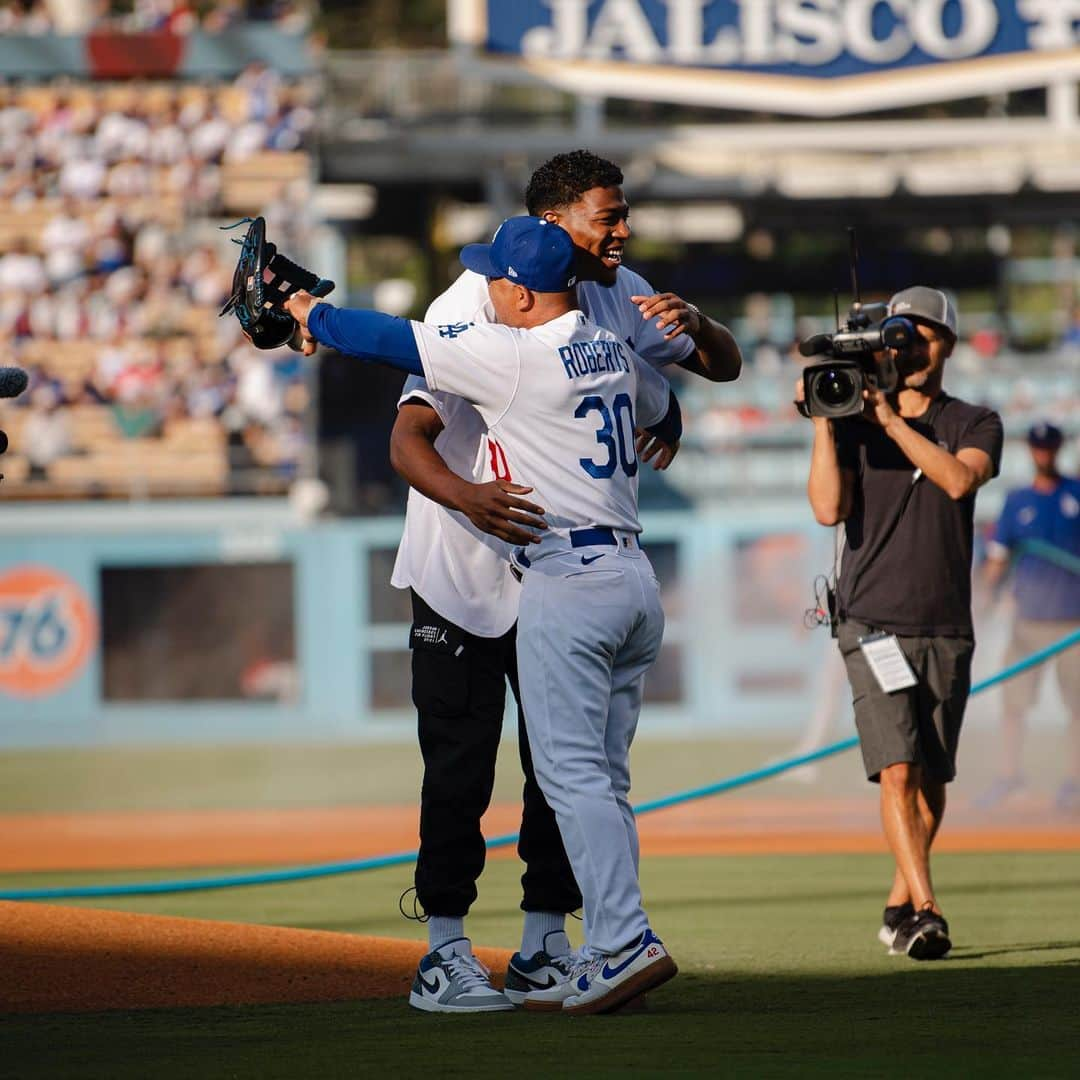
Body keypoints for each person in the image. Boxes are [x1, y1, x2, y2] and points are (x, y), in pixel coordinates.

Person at [285, 216, 683, 1015]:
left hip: (567, 578)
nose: (490, 285)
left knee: (568, 779)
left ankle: (621, 939)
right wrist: (662, 424)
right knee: (602, 779)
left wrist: (305, 312)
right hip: (633, 576)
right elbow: (663, 406)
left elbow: (387, 338)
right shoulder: (609, 344)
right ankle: (594, 945)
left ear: (521, 291)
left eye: (498, 276)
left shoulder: (510, 355)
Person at [385, 150, 742, 1013]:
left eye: (622, 215)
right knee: (463, 763)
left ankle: (547, 941)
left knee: (558, 770)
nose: (622, 231)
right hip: (466, 562)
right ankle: (446, 946)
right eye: (605, 217)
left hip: (557, 569)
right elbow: (408, 438)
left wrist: (682, 368)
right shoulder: (475, 297)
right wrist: (470, 498)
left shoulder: (616, 290)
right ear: (551, 227)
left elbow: (713, 366)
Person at [801, 286, 1003, 960]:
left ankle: (898, 900)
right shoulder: (856, 421)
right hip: (870, 619)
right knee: (896, 770)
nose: (908, 346)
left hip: (945, 621)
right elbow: (829, 509)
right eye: (898, 333)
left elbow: (956, 481)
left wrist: (890, 421)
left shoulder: (976, 422)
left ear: (946, 344)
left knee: (931, 775)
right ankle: (927, 909)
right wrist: (829, 422)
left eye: (922, 334)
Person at [978, 422, 1080, 814]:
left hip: (1073, 624)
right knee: (1014, 704)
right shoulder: (1016, 501)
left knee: (1077, 707)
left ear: (1057, 448)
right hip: (1029, 622)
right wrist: (984, 601)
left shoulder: (1075, 494)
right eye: (1038, 447)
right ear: (1030, 450)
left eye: (1049, 447)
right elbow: (998, 559)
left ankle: (1073, 781)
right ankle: (1009, 777)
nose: (1044, 454)